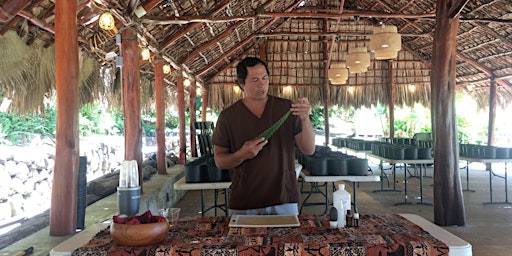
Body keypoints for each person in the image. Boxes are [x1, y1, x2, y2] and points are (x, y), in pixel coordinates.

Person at [212, 57, 315, 215]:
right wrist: (242, 154)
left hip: (284, 197)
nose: (261, 84)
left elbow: (308, 150)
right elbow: (220, 161)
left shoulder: (287, 109)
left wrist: (305, 118)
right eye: (254, 80)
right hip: (245, 201)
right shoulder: (228, 116)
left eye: (264, 78)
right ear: (241, 83)